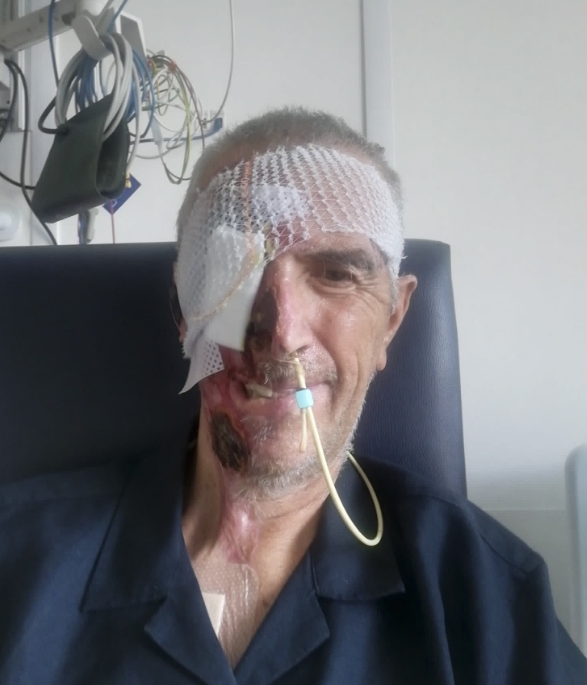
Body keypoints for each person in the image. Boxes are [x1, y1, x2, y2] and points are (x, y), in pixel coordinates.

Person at [0, 107, 586, 685]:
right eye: (235, 270)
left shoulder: (489, 602)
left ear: (391, 319)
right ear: (183, 310)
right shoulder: (18, 560)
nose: (282, 332)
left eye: (337, 274)